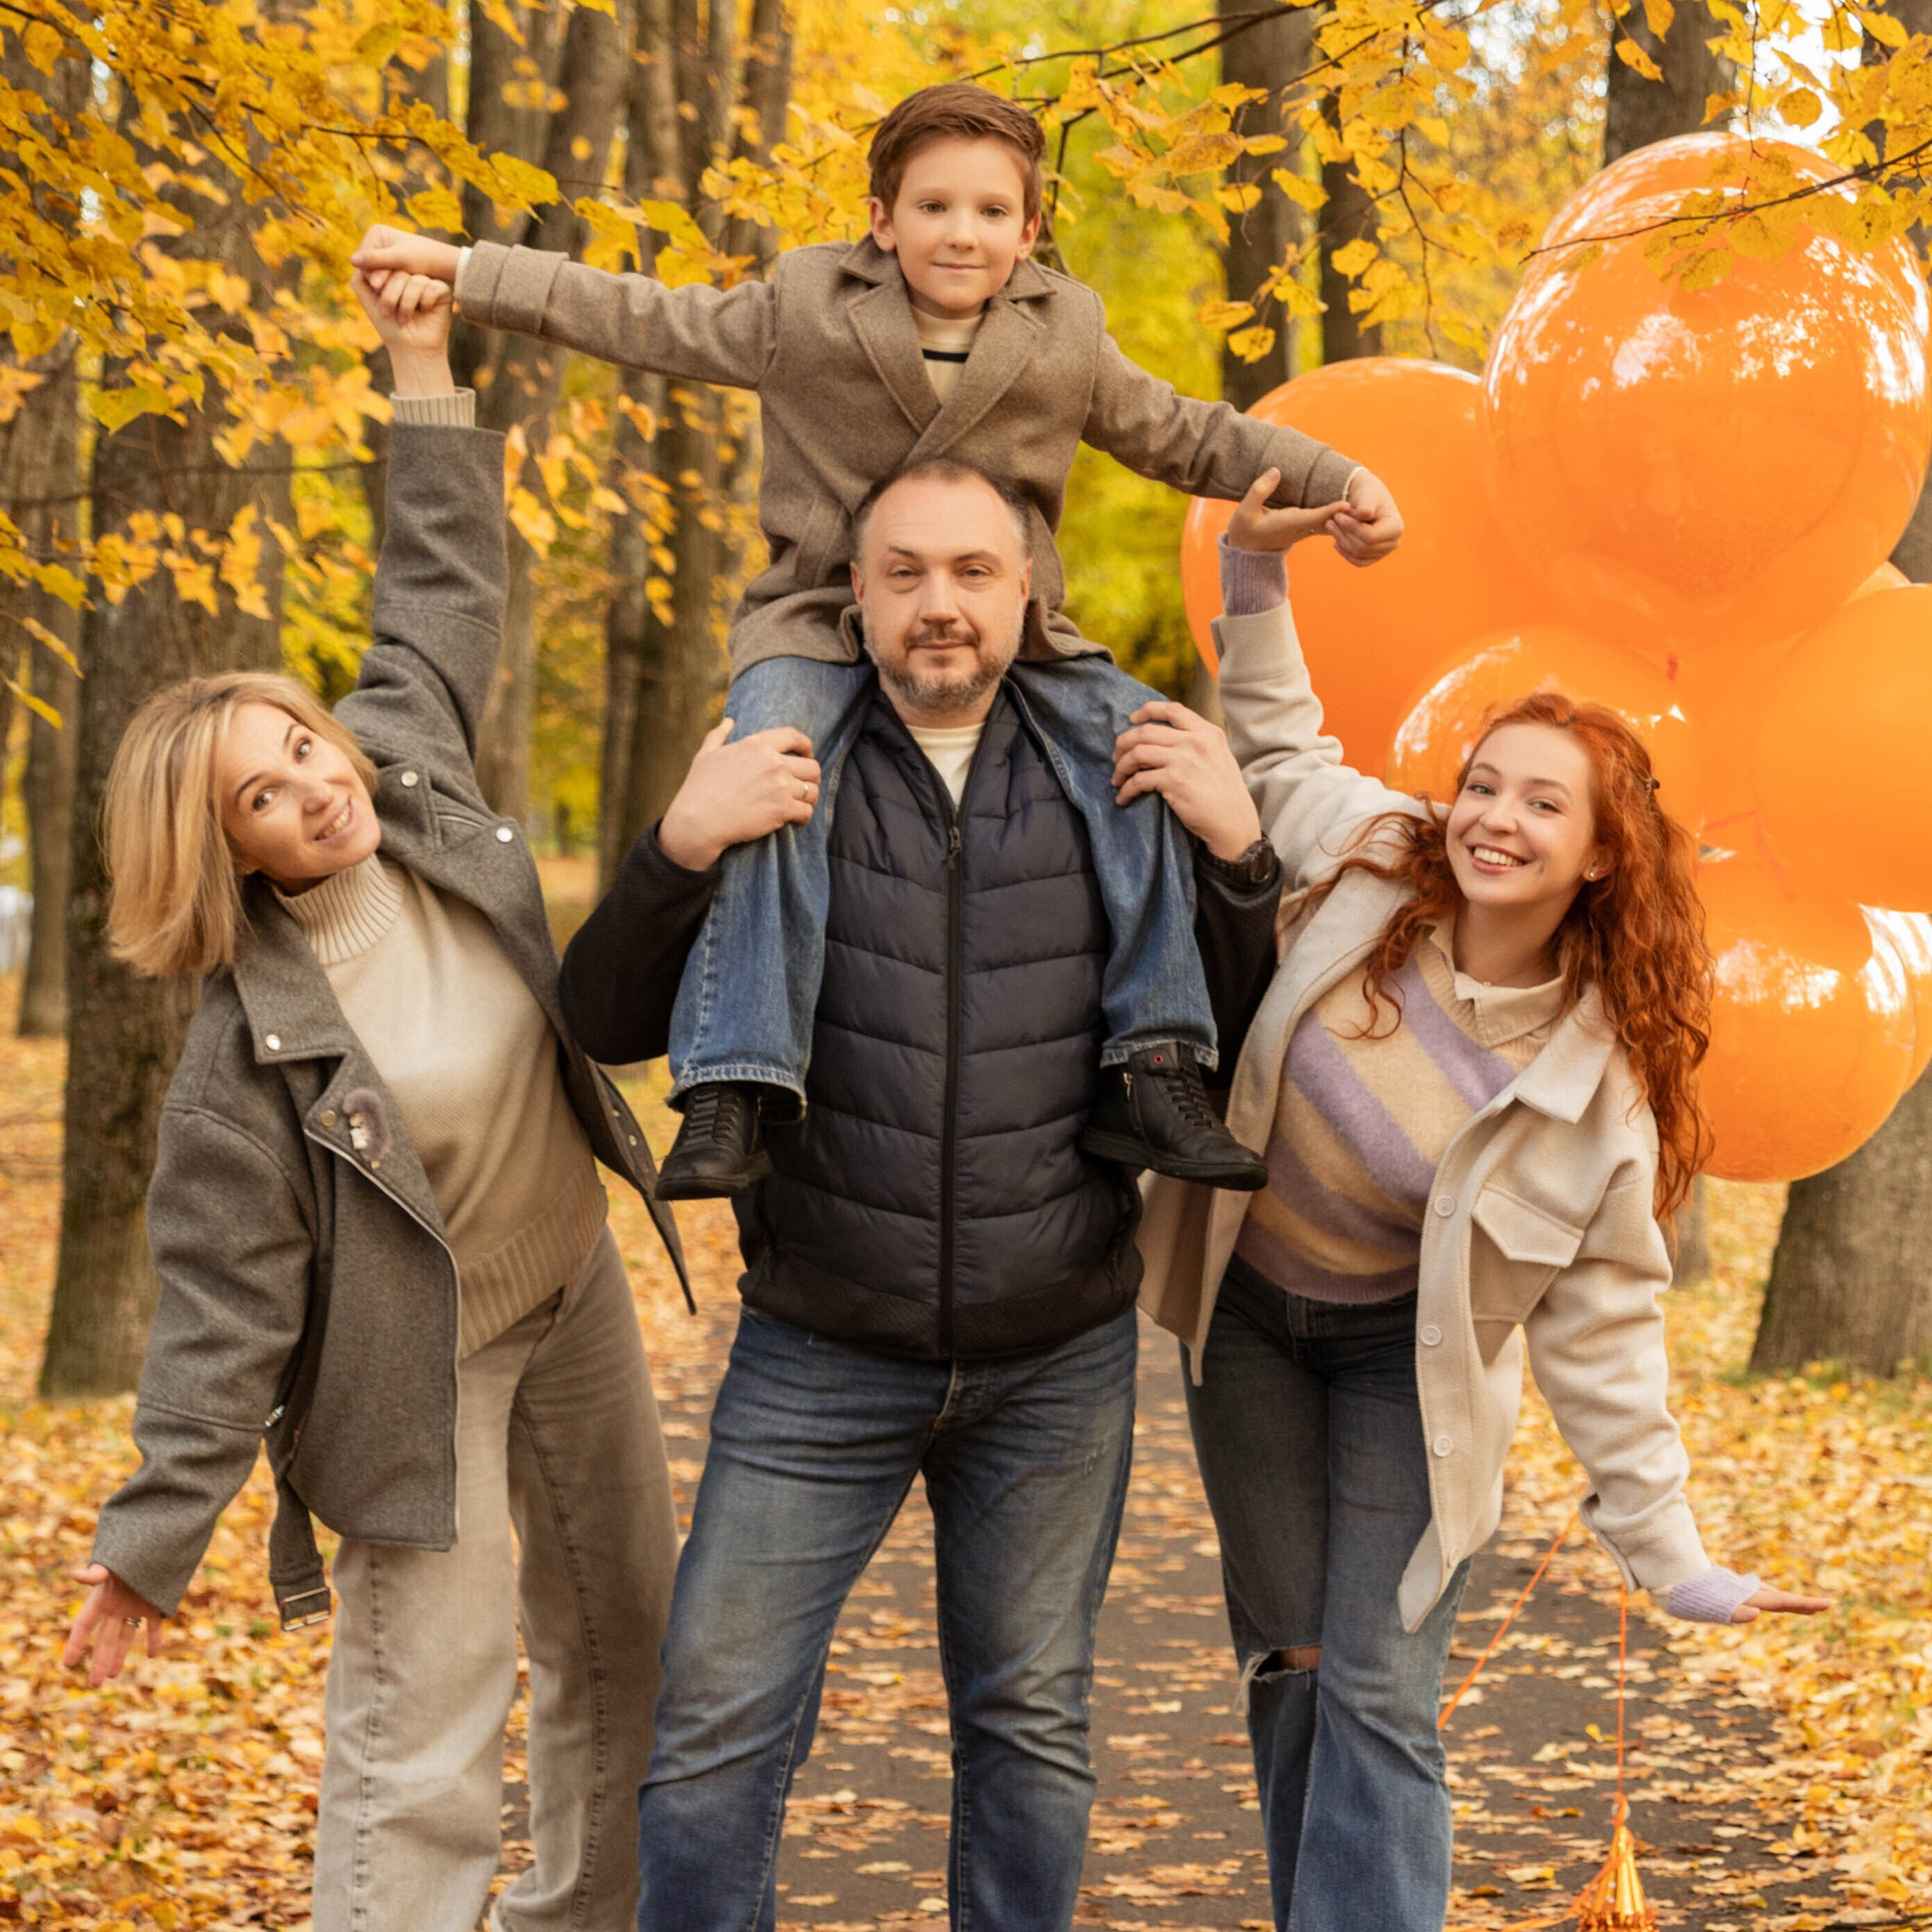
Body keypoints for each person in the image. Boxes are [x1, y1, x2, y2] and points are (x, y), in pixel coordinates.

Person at [57, 268, 805, 1932]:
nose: (311, 790)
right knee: (426, 1729)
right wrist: (152, 1541)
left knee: (626, 1639)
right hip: (420, 1374)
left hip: (569, 1285)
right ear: (223, 850)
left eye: (301, 749)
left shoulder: (409, 775)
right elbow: (219, 1322)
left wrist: (419, 361)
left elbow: (439, 588)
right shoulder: (242, 1064)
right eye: (262, 797)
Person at [352, 81, 1407, 1202]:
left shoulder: (1066, 335)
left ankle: (1156, 1061)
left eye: (991, 212)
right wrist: (462, 269)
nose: (962, 233)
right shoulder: (807, 307)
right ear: (881, 219)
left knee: (1144, 750)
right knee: (767, 777)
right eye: (934, 207)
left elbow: (1185, 434)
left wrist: (1340, 477)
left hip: (1006, 629)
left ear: (1030, 229)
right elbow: (638, 315)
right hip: (815, 614)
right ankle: (736, 1076)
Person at [558, 454, 1294, 1932]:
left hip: (1055, 1357)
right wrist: (679, 843)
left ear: (1027, 591)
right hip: (816, 1347)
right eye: (904, 574)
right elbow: (603, 1016)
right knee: (713, 1728)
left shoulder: (1112, 769)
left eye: (971, 572)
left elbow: (1226, 1032)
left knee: (1030, 1731)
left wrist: (1238, 852)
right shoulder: (779, 758)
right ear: (856, 594)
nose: (938, 604)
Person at [1123, 472, 1832, 1932]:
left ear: (1602, 854)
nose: (1495, 819)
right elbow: (1281, 744)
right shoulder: (1374, 859)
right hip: (1246, 1323)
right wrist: (1255, 571)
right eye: (1486, 783)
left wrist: (1672, 1556)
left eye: (1542, 803)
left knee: (1379, 1689)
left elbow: (1606, 1326)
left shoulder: (1595, 1093)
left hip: (1407, 1365)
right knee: (1297, 1664)